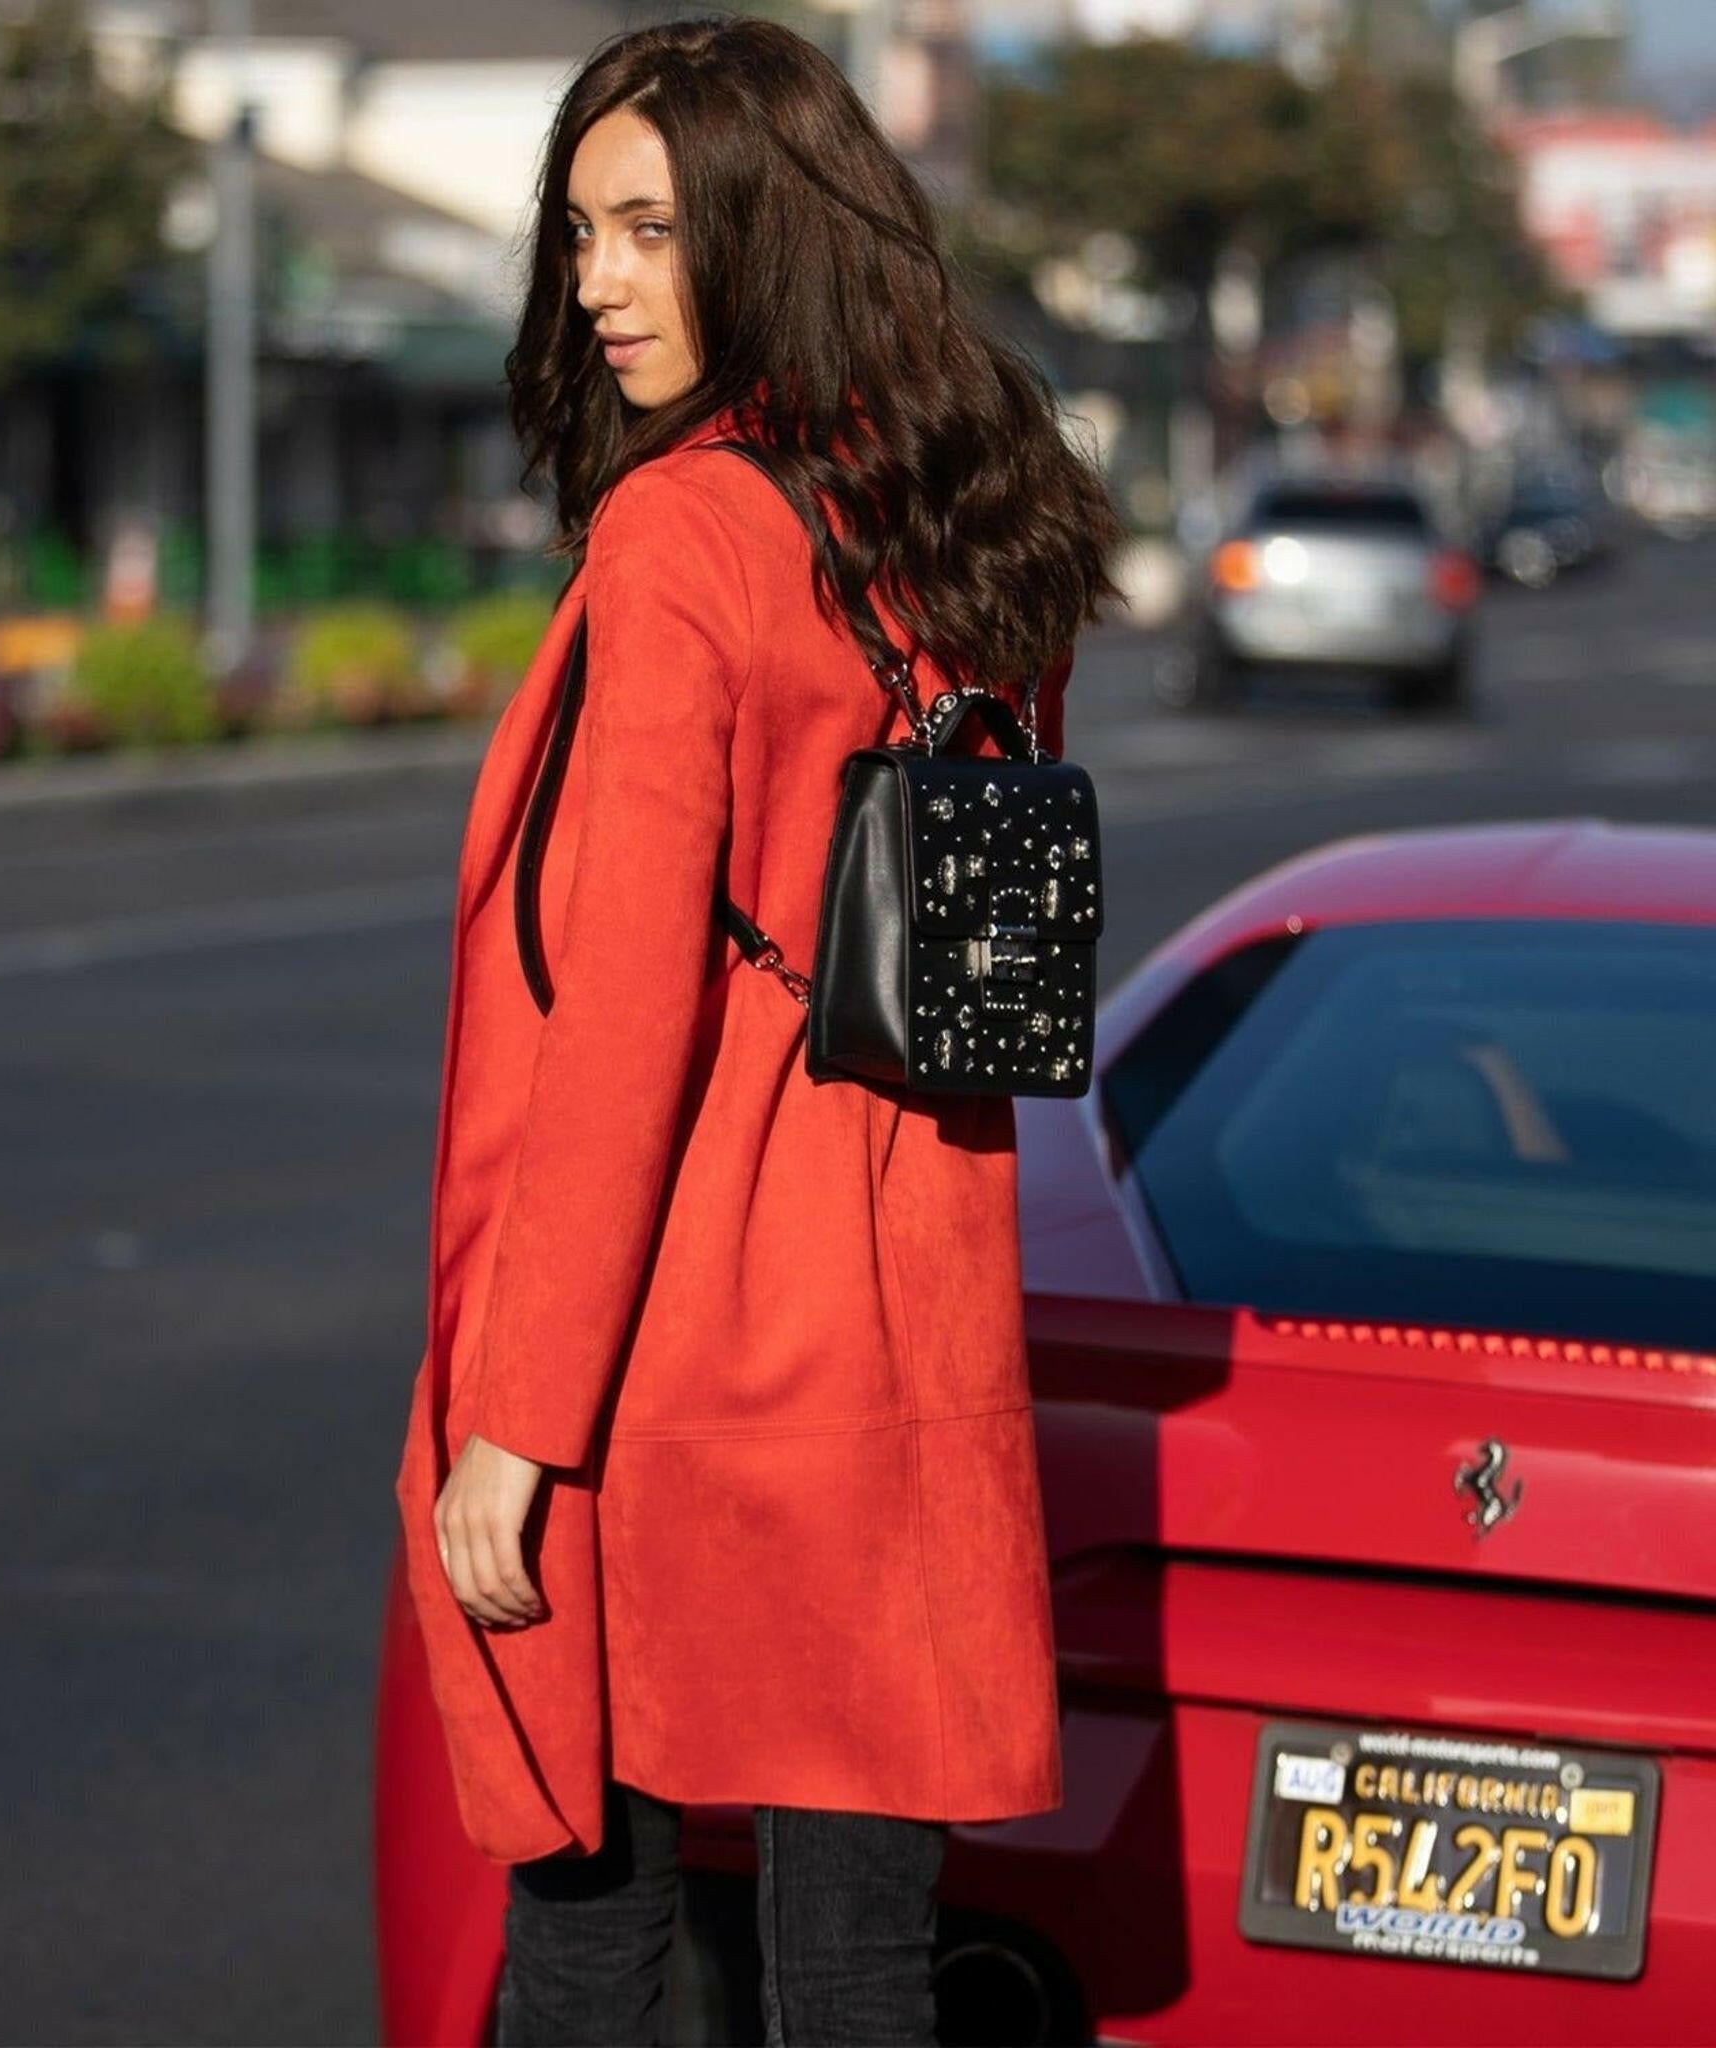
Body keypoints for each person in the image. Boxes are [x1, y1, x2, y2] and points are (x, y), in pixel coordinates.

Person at [390, 16, 1125, 2044]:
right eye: (578, 236)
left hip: (676, 1347)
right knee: (854, 1967)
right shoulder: (961, 534)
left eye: (643, 229)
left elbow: (614, 1021)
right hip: (905, 1328)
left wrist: (516, 1421)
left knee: (588, 1934)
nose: (595, 283)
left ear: (761, 229)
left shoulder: (681, 540)